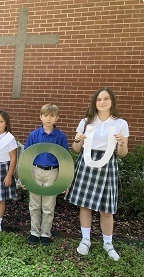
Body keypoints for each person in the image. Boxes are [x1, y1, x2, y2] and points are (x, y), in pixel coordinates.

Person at [65, 88, 129, 261]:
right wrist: (77, 140)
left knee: (106, 209)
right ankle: (85, 240)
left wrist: (122, 143)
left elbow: (122, 153)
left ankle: (108, 243)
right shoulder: (86, 122)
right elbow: (76, 149)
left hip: (108, 165)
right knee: (85, 205)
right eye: (99, 99)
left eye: (106, 98)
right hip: (86, 162)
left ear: (112, 101)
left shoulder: (120, 123)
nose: (102, 102)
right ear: (95, 102)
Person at [21, 104, 68, 246]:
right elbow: (26, 156)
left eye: (52, 116)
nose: (49, 118)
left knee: (48, 206)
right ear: (41, 117)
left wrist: (64, 181)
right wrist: (24, 178)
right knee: (34, 204)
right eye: (46, 115)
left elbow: (64, 158)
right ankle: (34, 232)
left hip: (52, 172)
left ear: (57, 118)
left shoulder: (60, 136)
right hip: (35, 171)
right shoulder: (34, 135)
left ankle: (45, 233)